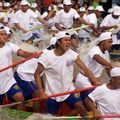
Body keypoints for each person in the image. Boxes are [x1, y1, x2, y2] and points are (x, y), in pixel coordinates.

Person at [34, 31, 99, 116]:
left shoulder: (72, 54)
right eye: (65, 40)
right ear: (58, 42)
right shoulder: (47, 57)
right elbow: (37, 74)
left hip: (69, 90)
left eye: (69, 40)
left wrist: (94, 81)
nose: (69, 42)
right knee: (50, 117)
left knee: (81, 109)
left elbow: (85, 69)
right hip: (53, 93)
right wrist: (41, 92)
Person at [0, 26, 40, 110]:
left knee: (21, 100)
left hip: (9, 81)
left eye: (5, 34)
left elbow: (22, 53)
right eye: (2, 34)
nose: (5, 36)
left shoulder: (10, 46)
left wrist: (33, 54)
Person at [75, 32, 113, 102]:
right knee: (93, 100)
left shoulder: (106, 52)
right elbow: (98, 58)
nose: (111, 44)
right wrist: (111, 65)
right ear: (102, 42)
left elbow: (108, 68)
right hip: (84, 79)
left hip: (94, 80)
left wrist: (112, 78)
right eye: (109, 42)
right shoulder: (95, 50)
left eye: (111, 42)